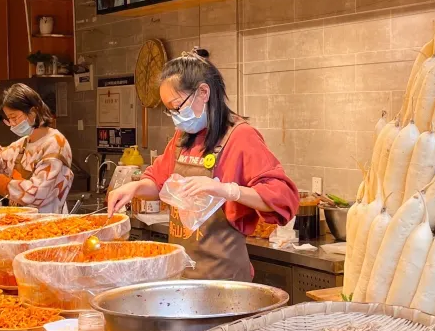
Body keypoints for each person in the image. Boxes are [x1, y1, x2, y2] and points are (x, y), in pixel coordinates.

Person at [107, 51, 298, 281]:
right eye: (170, 111)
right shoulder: (182, 138)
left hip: (224, 279)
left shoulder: (240, 137)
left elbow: (283, 198)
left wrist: (227, 190)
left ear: (203, 92)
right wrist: (135, 188)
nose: (176, 117)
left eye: (178, 107)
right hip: (183, 274)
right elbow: (158, 182)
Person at [0, 84, 75, 214]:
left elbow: (38, 193)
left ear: (33, 112)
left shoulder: (55, 144)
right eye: (9, 119)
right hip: (21, 219)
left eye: (14, 118)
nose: (12, 124)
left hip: (47, 221)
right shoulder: (23, 143)